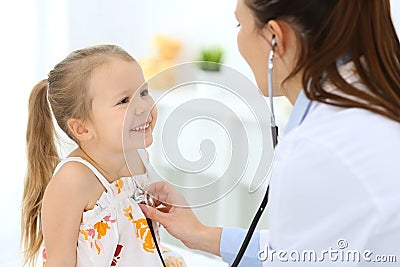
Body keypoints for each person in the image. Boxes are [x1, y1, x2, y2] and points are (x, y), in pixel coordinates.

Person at [140, 0, 400, 266]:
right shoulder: (369, 105)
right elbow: (306, 250)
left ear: (275, 38)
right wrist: (200, 234)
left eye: (240, 24)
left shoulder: (320, 147)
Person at [21, 44, 185, 267]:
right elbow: (60, 262)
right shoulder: (73, 181)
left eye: (144, 93)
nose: (144, 107)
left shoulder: (137, 156)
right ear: (82, 129)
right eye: (124, 101)